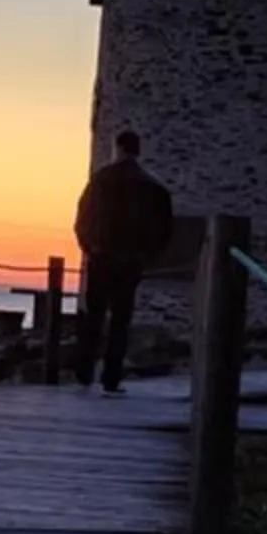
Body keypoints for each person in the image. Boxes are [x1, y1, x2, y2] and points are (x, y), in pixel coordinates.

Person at [72, 128, 173, 392]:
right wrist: (146, 257)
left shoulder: (100, 180)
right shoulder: (153, 187)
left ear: (117, 148)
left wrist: (89, 249)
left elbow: (82, 220)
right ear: (138, 152)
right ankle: (111, 377)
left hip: (101, 257)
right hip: (130, 262)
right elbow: (164, 229)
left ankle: (84, 374)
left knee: (93, 316)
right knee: (120, 321)